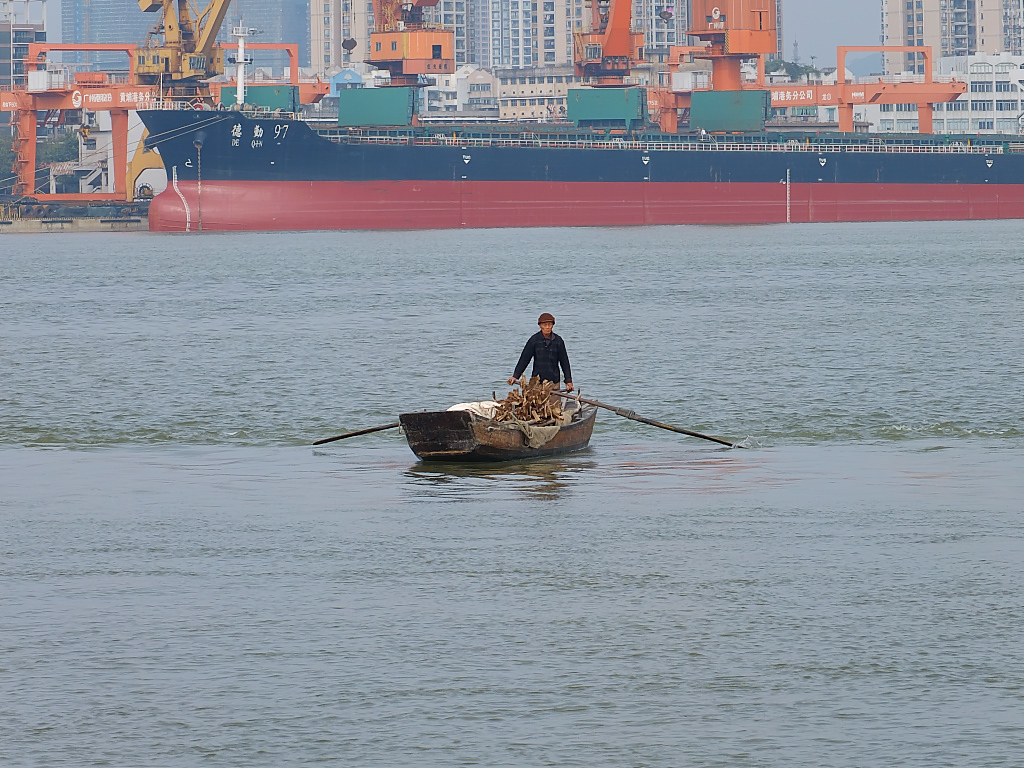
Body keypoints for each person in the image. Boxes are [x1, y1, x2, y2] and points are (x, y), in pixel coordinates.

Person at [507, 312, 574, 392]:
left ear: (553, 325)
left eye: (549, 325)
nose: (547, 327)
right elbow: (524, 359)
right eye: (545, 325)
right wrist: (515, 376)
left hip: (554, 382)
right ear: (540, 326)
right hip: (537, 382)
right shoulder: (534, 340)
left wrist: (568, 381)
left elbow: (564, 362)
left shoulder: (558, 341)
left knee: (554, 404)